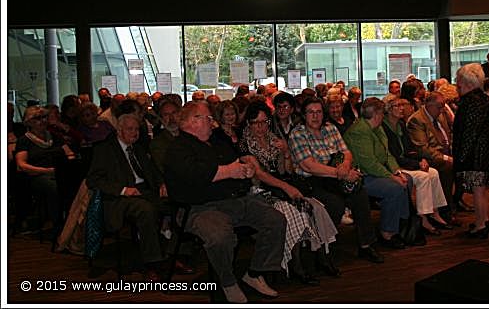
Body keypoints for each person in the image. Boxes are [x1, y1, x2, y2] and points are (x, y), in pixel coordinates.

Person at [164, 101, 286, 303]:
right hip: (198, 208)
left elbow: (237, 163)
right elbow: (195, 175)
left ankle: (255, 273)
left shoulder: (216, 142)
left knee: (275, 220)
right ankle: (228, 282)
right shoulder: (178, 148)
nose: (212, 124)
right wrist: (230, 171)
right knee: (220, 236)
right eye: (208, 118)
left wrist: (245, 170)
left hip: (233, 200)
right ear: (193, 121)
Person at [240, 101, 336, 285]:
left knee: (315, 208)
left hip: (281, 185)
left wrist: (285, 153)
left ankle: (322, 257)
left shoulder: (272, 138)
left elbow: (286, 170)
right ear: (249, 124)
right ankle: (295, 264)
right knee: (294, 215)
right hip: (260, 190)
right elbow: (259, 174)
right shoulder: (244, 144)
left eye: (264, 122)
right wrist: (286, 187)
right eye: (256, 123)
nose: (260, 127)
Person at [288, 97, 384, 265]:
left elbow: (346, 152)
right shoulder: (297, 133)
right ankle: (323, 251)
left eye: (318, 112)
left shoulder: (330, 128)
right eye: (311, 112)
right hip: (312, 181)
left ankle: (366, 244)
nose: (315, 116)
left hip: (336, 175)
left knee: (360, 194)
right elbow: (309, 166)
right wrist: (342, 174)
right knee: (335, 204)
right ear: (304, 115)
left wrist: (346, 167)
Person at [86, 113, 168, 282]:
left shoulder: (138, 147)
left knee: (176, 202)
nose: (135, 133)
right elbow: (93, 180)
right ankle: (152, 264)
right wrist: (123, 190)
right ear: (119, 131)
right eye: (130, 129)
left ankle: (176, 254)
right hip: (120, 198)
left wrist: (161, 183)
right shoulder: (105, 149)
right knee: (146, 210)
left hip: (144, 191)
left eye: (137, 129)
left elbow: (153, 171)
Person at [344, 97, 411, 250]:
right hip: (362, 176)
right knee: (394, 188)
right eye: (382, 113)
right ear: (376, 114)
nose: (383, 115)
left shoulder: (377, 128)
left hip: (375, 171)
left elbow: (387, 155)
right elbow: (369, 164)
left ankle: (401, 224)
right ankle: (387, 232)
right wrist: (391, 177)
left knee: (407, 180)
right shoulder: (359, 131)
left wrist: (397, 171)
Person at [382, 94, 448, 234]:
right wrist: (417, 164)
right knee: (423, 176)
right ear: (388, 109)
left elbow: (410, 148)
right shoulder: (384, 127)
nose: (401, 109)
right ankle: (423, 217)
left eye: (402, 105)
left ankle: (434, 212)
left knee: (433, 172)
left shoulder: (400, 125)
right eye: (397, 106)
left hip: (407, 162)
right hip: (396, 166)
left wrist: (421, 159)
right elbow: (394, 156)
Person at [453, 63, 489, 238]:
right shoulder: (484, 99)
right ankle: (483, 220)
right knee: (480, 190)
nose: (456, 84)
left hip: (477, 155)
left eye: (458, 80)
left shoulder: (471, 102)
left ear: (465, 82)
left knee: (478, 190)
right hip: (484, 153)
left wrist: (460, 157)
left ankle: (481, 225)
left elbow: (469, 133)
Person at [14, 106, 77, 236]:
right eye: (38, 118)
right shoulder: (24, 140)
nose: (42, 121)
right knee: (55, 188)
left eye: (44, 117)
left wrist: (68, 165)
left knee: (77, 185)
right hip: (37, 175)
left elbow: (69, 153)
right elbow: (21, 165)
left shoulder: (54, 137)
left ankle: (74, 223)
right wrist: (46, 171)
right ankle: (58, 226)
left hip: (59, 172)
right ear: (29, 122)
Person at [406, 92, 458, 222]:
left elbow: (448, 136)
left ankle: (455, 200)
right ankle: (445, 208)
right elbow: (423, 149)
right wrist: (446, 158)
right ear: (428, 105)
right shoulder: (417, 120)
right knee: (448, 167)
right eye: (439, 106)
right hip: (428, 157)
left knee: (467, 161)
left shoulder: (440, 116)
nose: (442, 110)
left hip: (446, 152)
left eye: (443, 106)